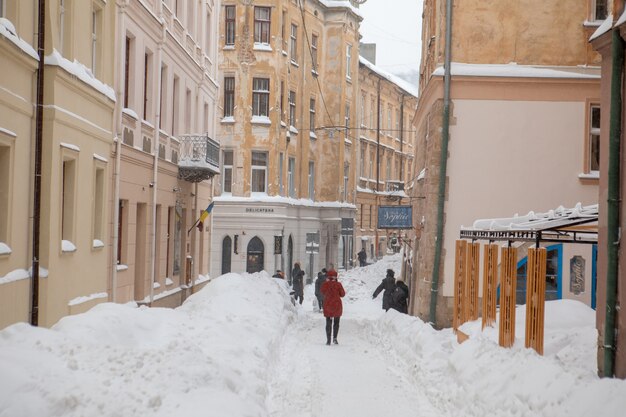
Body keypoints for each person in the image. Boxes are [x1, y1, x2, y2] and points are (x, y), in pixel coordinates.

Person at [320, 269, 345, 345]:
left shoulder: (325, 284)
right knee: (336, 322)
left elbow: (322, 291)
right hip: (336, 305)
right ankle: (335, 338)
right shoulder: (338, 284)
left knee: (328, 321)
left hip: (327, 304)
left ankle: (328, 339)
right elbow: (343, 294)